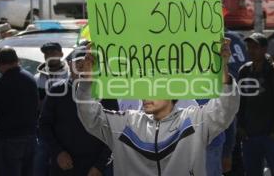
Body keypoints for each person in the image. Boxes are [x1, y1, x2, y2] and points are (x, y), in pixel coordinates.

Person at [75, 40, 240, 176]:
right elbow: (90, 116)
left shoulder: (193, 122)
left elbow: (225, 109)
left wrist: (223, 71)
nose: (145, 94)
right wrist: (88, 81)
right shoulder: (125, 123)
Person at [39, 47, 111, 176]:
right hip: (63, 166)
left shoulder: (106, 92)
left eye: (89, 63)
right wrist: (58, 152)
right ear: (69, 64)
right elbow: (44, 125)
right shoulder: (57, 90)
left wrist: (99, 166)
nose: (84, 67)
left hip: (94, 168)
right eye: (79, 62)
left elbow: (113, 131)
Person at [238, 32, 274, 176]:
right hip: (249, 135)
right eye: (249, 47)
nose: (251, 50)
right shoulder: (244, 71)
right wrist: (240, 126)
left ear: (265, 49)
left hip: (271, 136)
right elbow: (240, 101)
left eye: (255, 47)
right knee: (252, 172)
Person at [0, 46, 38, 176]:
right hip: (31, 137)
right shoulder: (30, 78)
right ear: (17, 60)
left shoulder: (1, 84)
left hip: (10, 139)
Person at [34, 42, 70, 176]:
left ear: (61, 54)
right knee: (39, 165)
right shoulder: (37, 78)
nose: (50, 56)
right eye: (47, 54)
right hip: (43, 129)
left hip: (65, 129)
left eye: (53, 53)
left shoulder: (69, 76)